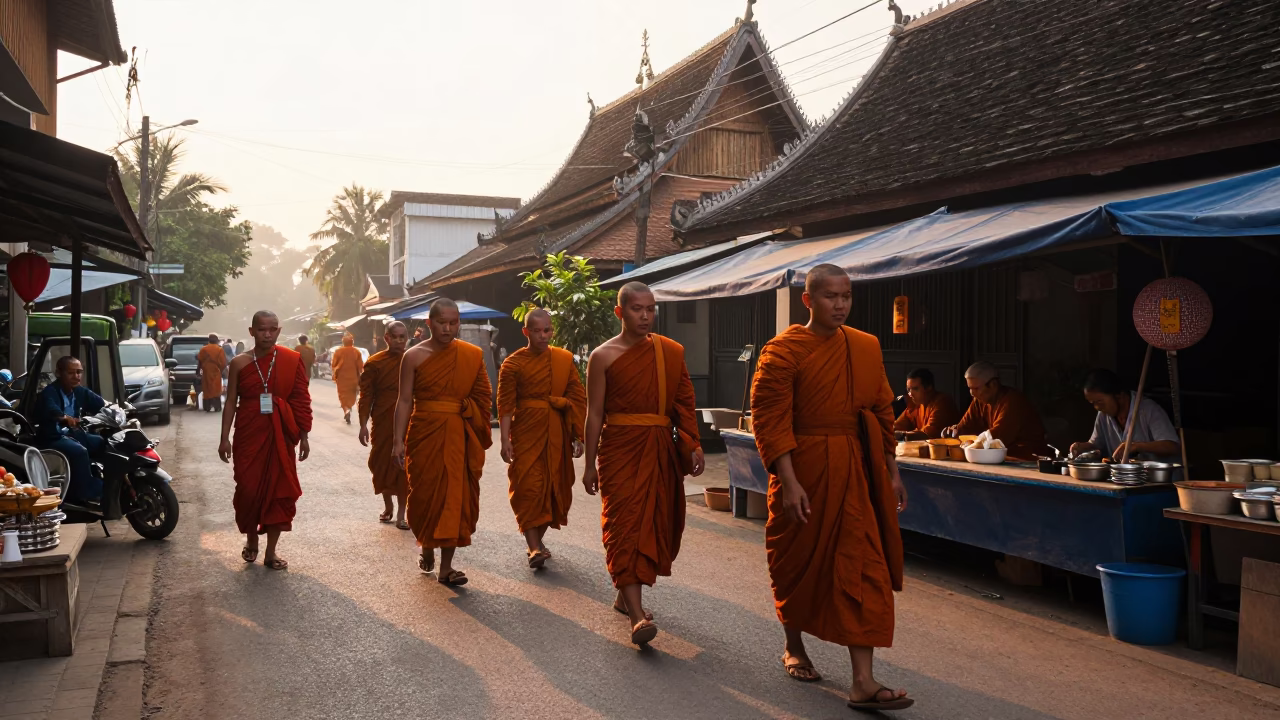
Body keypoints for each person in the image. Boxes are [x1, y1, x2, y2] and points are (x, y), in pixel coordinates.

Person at [750, 264, 912, 712]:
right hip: (802, 467)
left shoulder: (864, 346)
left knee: (864, 567)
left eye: (846, 297)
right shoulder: (781, 352)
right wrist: (788, 479)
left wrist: (891, 469)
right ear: (808, 300)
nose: (840, 305)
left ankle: (863, 680)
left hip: (856, 469)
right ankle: (794, 645)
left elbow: (882, 410)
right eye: (830, 297)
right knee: (796, 560)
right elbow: (770, 418)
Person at [582, 282, 703, 646]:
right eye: (637, 309)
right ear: (620, 313)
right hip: (619, 447)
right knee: (625, 525)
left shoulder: (670, 352)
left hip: (659, 448)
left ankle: (624, 595)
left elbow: (684, 402)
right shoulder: (602, 356)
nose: (646, 316)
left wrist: (693, 444)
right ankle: (637, 615)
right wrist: (589, 464)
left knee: (655, 522)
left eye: (651, 309)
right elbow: (594, 414)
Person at [392, 299, 492, 586]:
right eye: (441, 323)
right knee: (425, 494)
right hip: (425, 431)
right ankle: (426, 546)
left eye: (453, 323)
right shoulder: (412, 356)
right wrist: (397, 441)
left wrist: (470, 410)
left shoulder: (472, 355)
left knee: (454, 496)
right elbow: (404, 400)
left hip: (459, 432)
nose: (448, 329)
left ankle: (447, 567)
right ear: (429, 324)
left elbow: (484, 398)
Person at [218, 311, 312, 571]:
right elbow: (231, 403)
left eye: (272, 329)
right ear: (252, 331)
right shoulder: (239, 363)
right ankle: (251, 539)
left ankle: (271, 552)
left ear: (279, 331)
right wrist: (224, 438)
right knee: (248, 489)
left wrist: (304, 436)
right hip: (249, 431)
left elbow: (301, 399)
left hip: (280, 433)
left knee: (278, 491)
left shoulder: (291, 360)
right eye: (261, 329)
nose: (267, 334)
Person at [497, 309, 586, 569]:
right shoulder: (512, 364)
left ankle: (536, 542)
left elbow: (577, 397)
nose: (543, 335)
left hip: (556, 429)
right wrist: (505, 439)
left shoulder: (563, 360)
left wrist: (577, 435)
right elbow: (505, 405)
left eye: (547, 330)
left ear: (552, 330)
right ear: (526, 332)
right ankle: (534, 546)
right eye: (536, 331)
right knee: (527, 488)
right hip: (526, 430)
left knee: (554, 489)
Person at [33, 356, 106, 504]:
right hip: (52, 438)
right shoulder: (50, 392)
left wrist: (115, 410)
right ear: (59, 373)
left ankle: (98, 477)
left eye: (79, 372)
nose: (76, 376)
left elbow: (100, 403)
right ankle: (84, 492)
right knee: (79, 451)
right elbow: (52, 410)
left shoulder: (79, 391)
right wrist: (65, 418)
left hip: (72, 434)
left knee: (101, 442)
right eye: (71, 373)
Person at [359, 321, 410, 529]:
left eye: (402, 337)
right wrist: (363, 424)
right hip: (383, 420)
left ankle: (401, 514)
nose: (399, 341)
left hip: (408, 419)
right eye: (395, 337)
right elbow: (366, 395)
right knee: (381, 463)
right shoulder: (375, 362)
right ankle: (388, 505)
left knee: (404, 466)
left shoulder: (413, 359)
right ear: (386, 338)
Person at [1069, 368, 1180, 464]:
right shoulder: (1103, 414)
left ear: (1119, 396)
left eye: (1100, 402)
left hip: (1161, 482)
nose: (1097, 407)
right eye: (1093, 403)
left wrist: (1136, 446)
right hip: (1124, 479)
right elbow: (1096, 444)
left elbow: (1172, 446)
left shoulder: (1148, 409)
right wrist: (1083, 447)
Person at [944, 361, 1050, 461]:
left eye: (976, 388)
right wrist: (954, 432)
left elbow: (996, 438)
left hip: (1027, 460)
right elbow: (965, 427)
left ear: (993, 385)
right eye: (970, 388)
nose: (972, 393)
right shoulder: (978, 401)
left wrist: (972, 444)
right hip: (1000, 459)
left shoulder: (1013, 401)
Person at [893, 368, 959, 440]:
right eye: (908, 389)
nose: (910, 394)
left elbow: (929, 434)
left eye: (915, 389)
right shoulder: (914, 403)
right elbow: (897, 426)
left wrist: (902, 435)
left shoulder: (943, 402)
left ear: (928, 387)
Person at [331, 334, 364, 424]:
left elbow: (334, 364)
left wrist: (335, 371)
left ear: (343, 342)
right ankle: (349, 408)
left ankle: (346, 410)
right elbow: (360, 367)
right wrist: (361, 376)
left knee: (343, 395)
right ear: (352, 342)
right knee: (352, 395)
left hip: (342, 378)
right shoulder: (356, 352)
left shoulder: (338, 351)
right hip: (354, 378)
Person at [197, 334, 228, 412]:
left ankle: (207, 407)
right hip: (216, 373)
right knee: (216, 390)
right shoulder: (219, 350)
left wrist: (198, 371)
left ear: (209, 340)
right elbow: (224, 363)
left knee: (207, 390)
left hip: (206, 373)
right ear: (217, 341)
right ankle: (217, 407)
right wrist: (220, 370)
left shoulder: (203, 349)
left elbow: (200, 361)